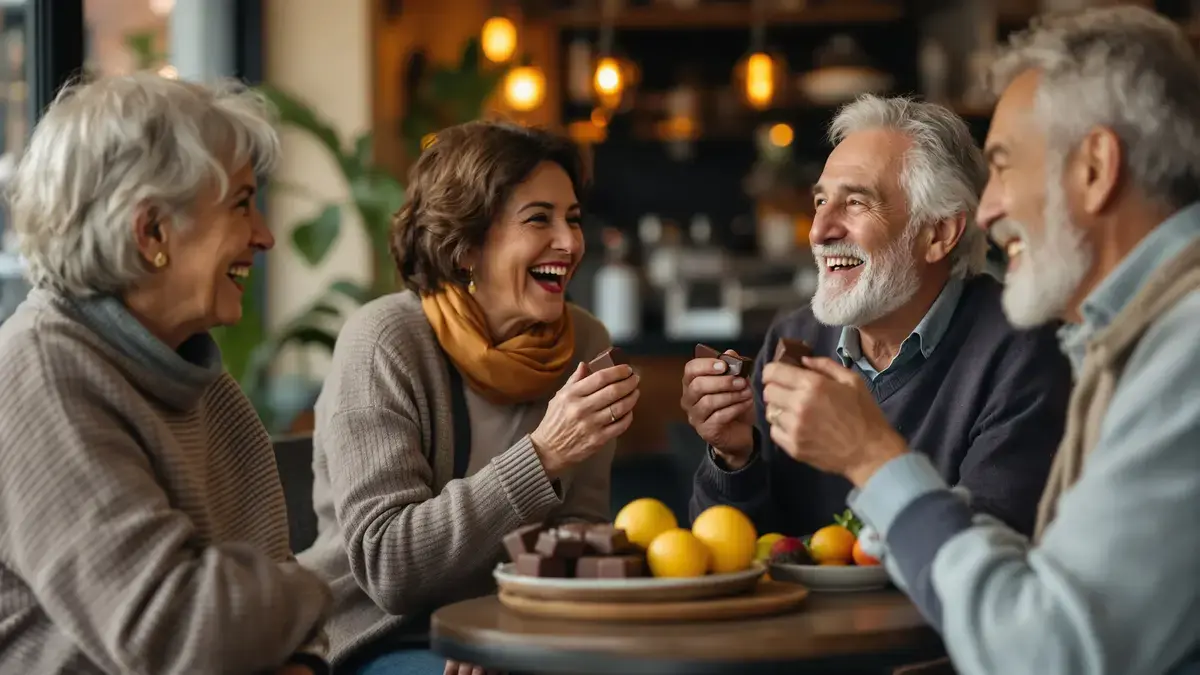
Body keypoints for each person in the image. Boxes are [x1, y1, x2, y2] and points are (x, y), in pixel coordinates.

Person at [763, 7, 1200, 674]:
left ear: (1095, 167)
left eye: (1003, 165)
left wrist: (874, 459)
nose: (988, 209)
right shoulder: (1132, 337)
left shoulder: (1183, 347)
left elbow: (1042, 652)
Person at [0, 74, 332, 674]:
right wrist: (317, 589)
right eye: (241, 203)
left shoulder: (203, 382)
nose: (265, 235)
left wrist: (301, 653)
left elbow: (278, 620)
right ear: (151, 230)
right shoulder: (44, 373)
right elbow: (176, 630)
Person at [300, 121, 634, 674]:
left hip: (513, 630)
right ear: (467, 247)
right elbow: (390, 568)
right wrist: (543, 455)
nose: (571, 242)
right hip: (379, 638)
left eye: (572, 219)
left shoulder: (587, 341)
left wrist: (505, 628)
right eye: (538, 219)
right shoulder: (385, 340)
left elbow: (580, 532)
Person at [684, 95, 1072, 538]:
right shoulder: (794, 339)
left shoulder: (1023, 349)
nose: (818, 231)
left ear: (940, 233)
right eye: (820, 202)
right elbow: (737, 552)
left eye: (855, 204)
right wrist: (735, 457)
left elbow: (984, 554)